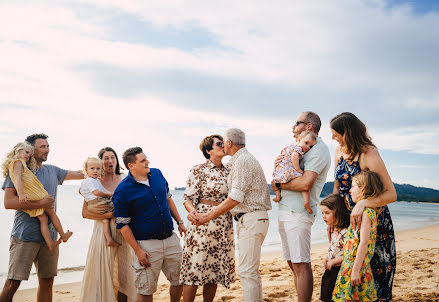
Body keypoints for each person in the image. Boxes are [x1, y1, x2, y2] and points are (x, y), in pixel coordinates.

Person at [0, 133, 84, 302]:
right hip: (25, 235)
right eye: (42, 147)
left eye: (48, 146)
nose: (47, 150)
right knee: (12, 283)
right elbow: (8, 202)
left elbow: (80, 173)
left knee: (47, 282)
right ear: (30, 150)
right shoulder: (19, 169)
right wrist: (41, 202)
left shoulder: (53, 171)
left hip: (50, 237)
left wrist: (100, 165)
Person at [194, 128, 272, 302]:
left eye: (223, 142)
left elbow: (235, 197)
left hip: (251, 218)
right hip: (253, 218)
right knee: (251, 271)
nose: (222, 145)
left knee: (247, 271)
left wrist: (207, 217)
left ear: (229, 143)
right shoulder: (241, 160)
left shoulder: (242, 161)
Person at [331, 112, 397, 301]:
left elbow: (391, 194)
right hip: (347, 220)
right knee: (346, 272)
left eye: (336, 134)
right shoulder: (339, 150)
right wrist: (334, 217)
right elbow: (337, 187)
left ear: (349, 133)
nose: (333, 138)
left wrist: (363, 203)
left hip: (372, 220)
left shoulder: (369, 154)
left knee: (375, 277)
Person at [113, 147, 187, 302]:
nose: (148, 162)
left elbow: (168, 199)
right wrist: (138, 250)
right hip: (146, 246)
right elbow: (122, 225)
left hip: (171, 239)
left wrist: (179, 222)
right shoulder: (122, 191)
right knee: (146, 290)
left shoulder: (158, 174)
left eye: (146, 159)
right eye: (143, 160)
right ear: (131, 166)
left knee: (179, 280)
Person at [272, 111, 331, 302]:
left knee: (301, 264)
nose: (292, 127)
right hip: (286, 209)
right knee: (292, 262)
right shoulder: (299, 148)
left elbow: (306, 183)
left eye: (296, 123)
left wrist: (279, 185)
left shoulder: (318, 150)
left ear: (309, 126)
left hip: (298, 212)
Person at [180, 135, 235, 302]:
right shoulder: (198, 169)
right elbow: (188, 198)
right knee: (193, 269)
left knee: (214, 270)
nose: (223, 145)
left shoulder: (230, 170)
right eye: (219, 144)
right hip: (201, 224)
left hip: (223, 224)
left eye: (223, 142)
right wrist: (193, 212)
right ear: (208, 150)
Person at [80, 147, 137, 302]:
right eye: (106, 158)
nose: (110, 161)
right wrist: (110, 215)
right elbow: (85, 213)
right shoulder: (94, 182)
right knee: (104, 271)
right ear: (100, 162)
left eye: (113, 157)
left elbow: (135, 204)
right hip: (102, 231)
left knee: (126, 272)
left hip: (126, 229)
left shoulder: (126, 178)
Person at [1, 142, 72, 251]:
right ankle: (63, 235)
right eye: (26, 152)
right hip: (35, 194)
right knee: (51, 213)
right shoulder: (18, 163)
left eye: (30, 153)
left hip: (32, 195)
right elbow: (18, 179)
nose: (28, 155)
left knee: (43, 219)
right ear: (17, 151)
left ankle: (50, 243)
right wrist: (21, 194)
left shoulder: (18, 164)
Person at [333, 171, 383, 301]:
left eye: (353, 186)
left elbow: (363, 244)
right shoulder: (366, 212)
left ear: (363, 189)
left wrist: (355, 271)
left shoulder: (366, 213)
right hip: (349, 266)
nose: (349, 191)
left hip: (356, 268)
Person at [272, 130, 317, 215]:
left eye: (311, 146)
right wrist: (297, 169)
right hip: (290, 170)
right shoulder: (297, 148)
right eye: (306, 143)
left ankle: (278, 196)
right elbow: (294, 156)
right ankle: (306, 202)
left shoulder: (288, 147)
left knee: (275, 183)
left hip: (280, 171)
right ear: (299, 140)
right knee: (303, 186)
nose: (308, 147)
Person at [79, 157, 119, 247]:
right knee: (118, 207)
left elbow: (80, 191)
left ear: (102, 170)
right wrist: (109, 194)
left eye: (98, 169)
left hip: (92, 205)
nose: (95, 171)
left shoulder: (93, 181)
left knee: (105, 220)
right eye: (92, 168)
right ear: (86, 170)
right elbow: (97, 192)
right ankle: (119, 228)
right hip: (97, 202)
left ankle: (109, 239)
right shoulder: (90, 180)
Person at [319, 194, 350, 302]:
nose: (324, 216)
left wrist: (333, 261)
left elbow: (349, 254)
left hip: (340, 270)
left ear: (338, 212)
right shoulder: (334, 230)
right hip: (331, 268)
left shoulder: (345, 232)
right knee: (326, 294)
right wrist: (327, 258)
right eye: (322, 213)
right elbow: (334, 249)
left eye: (327, 213)